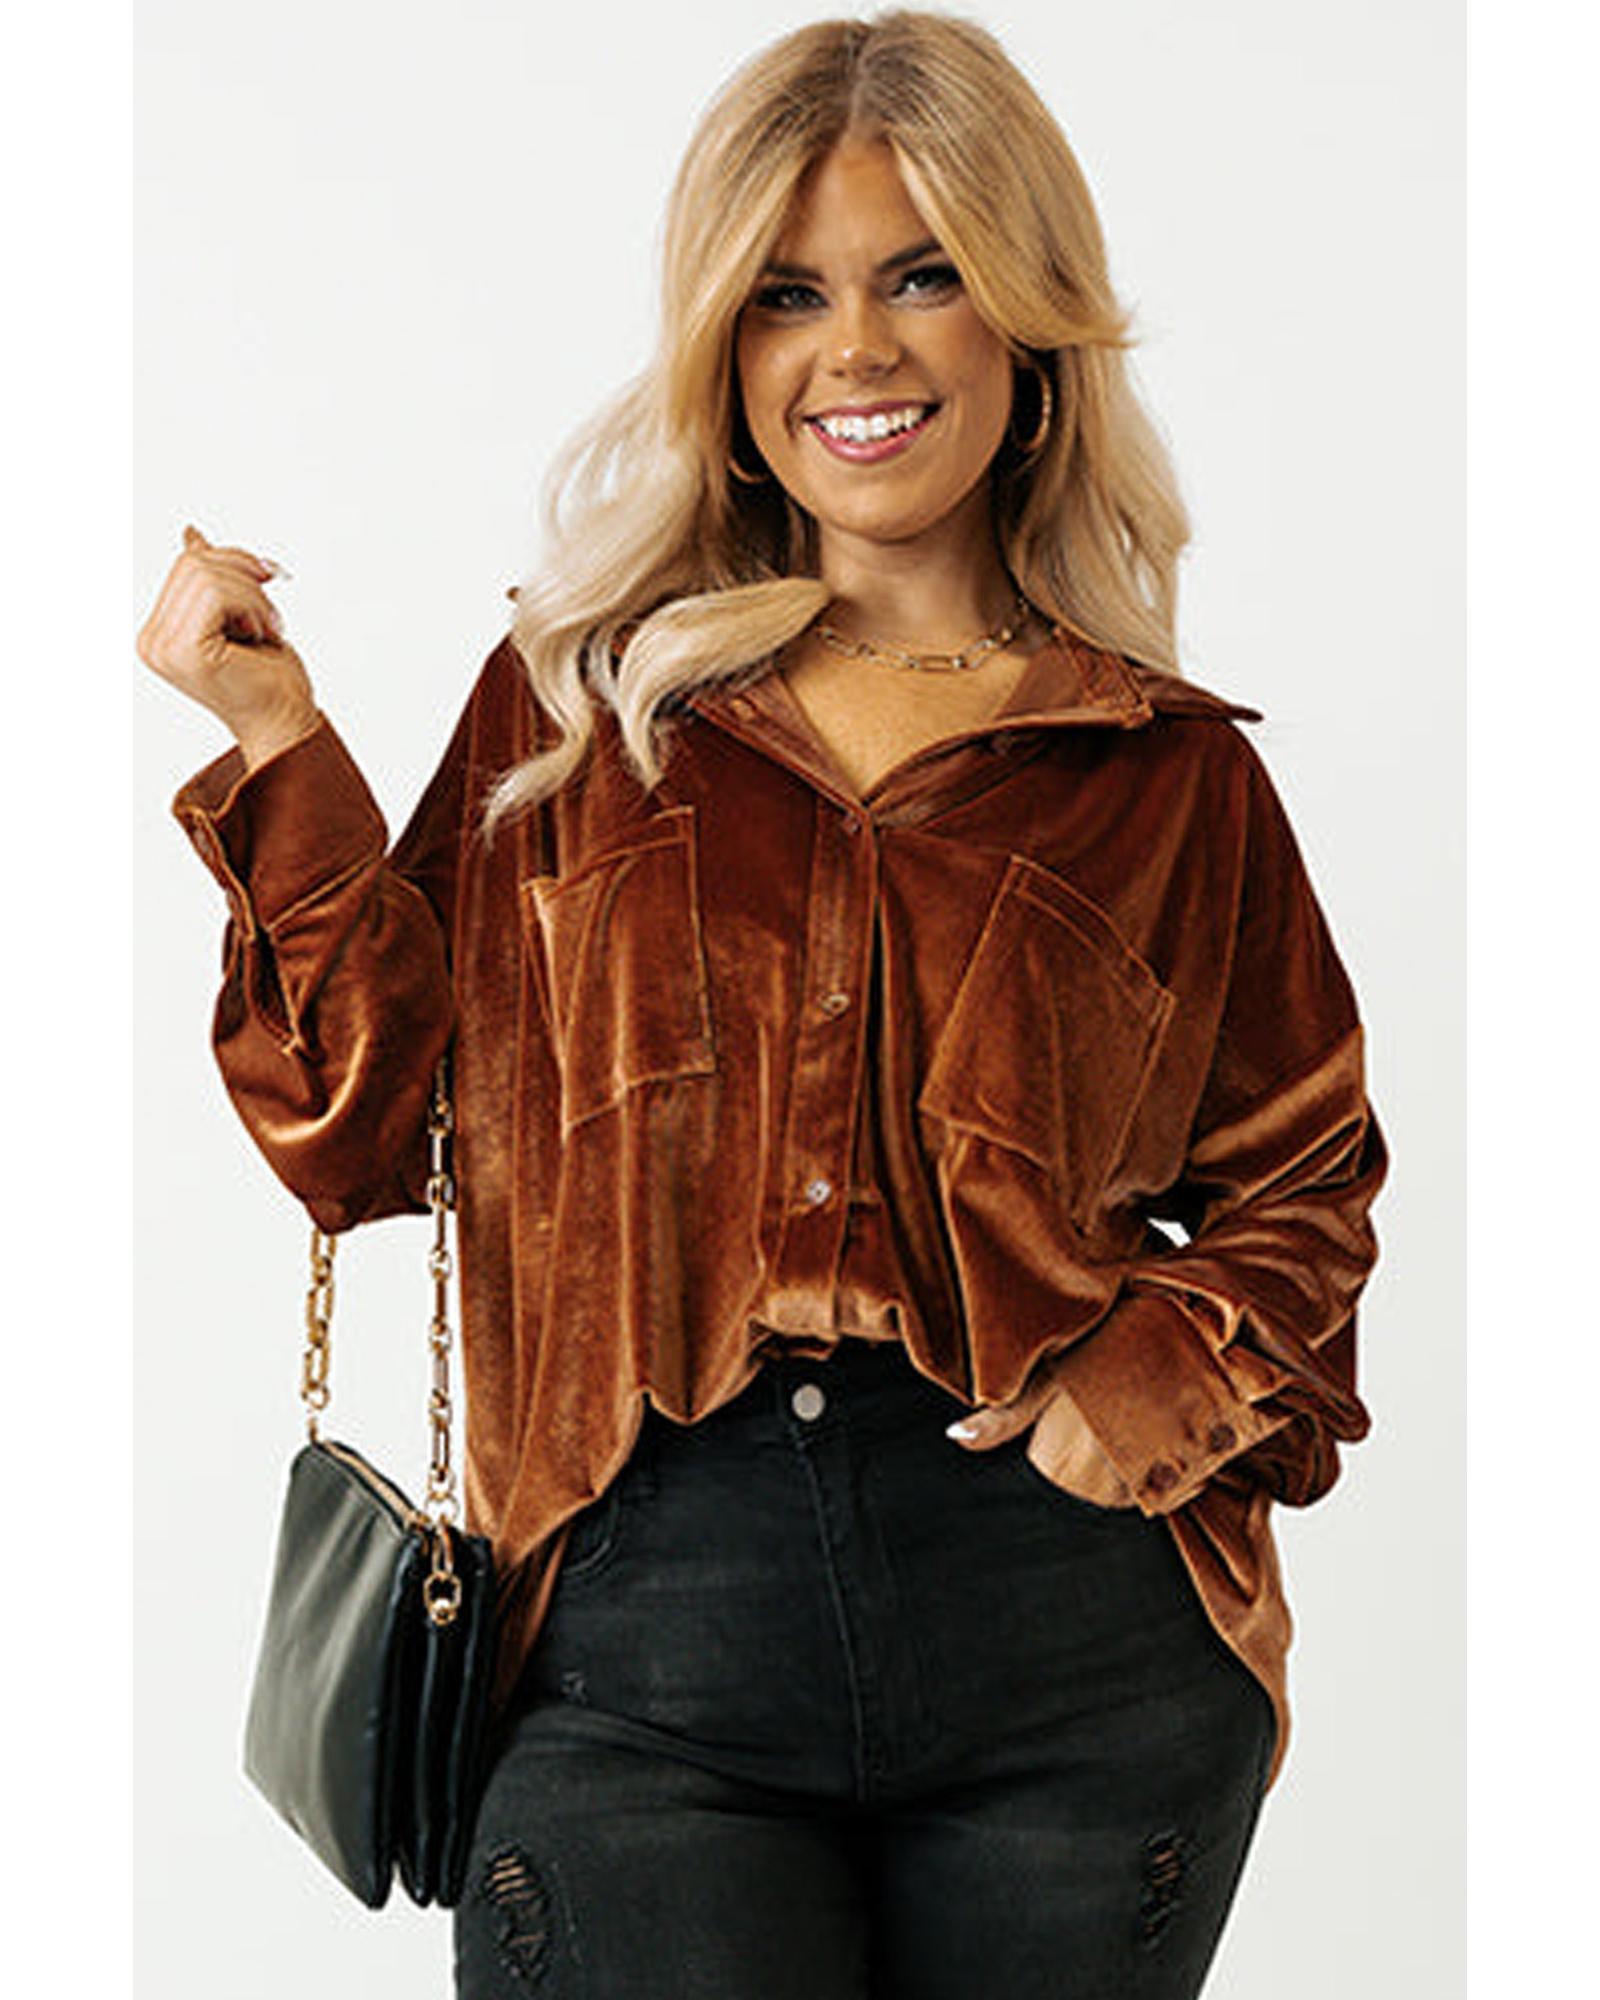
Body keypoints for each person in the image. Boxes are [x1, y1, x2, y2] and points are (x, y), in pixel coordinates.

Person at [137, 11, 1389, 1996]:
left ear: (1027, 327)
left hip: (1068, 1645)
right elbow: (358, 1134)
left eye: (924, 276)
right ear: (724, 353)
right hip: (638, 1630)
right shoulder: (583, 708)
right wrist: (278, 743)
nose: (856, 351)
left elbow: (1304, 1187)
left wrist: (1140, 1389)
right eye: (789, 294)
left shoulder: (1164, 777)